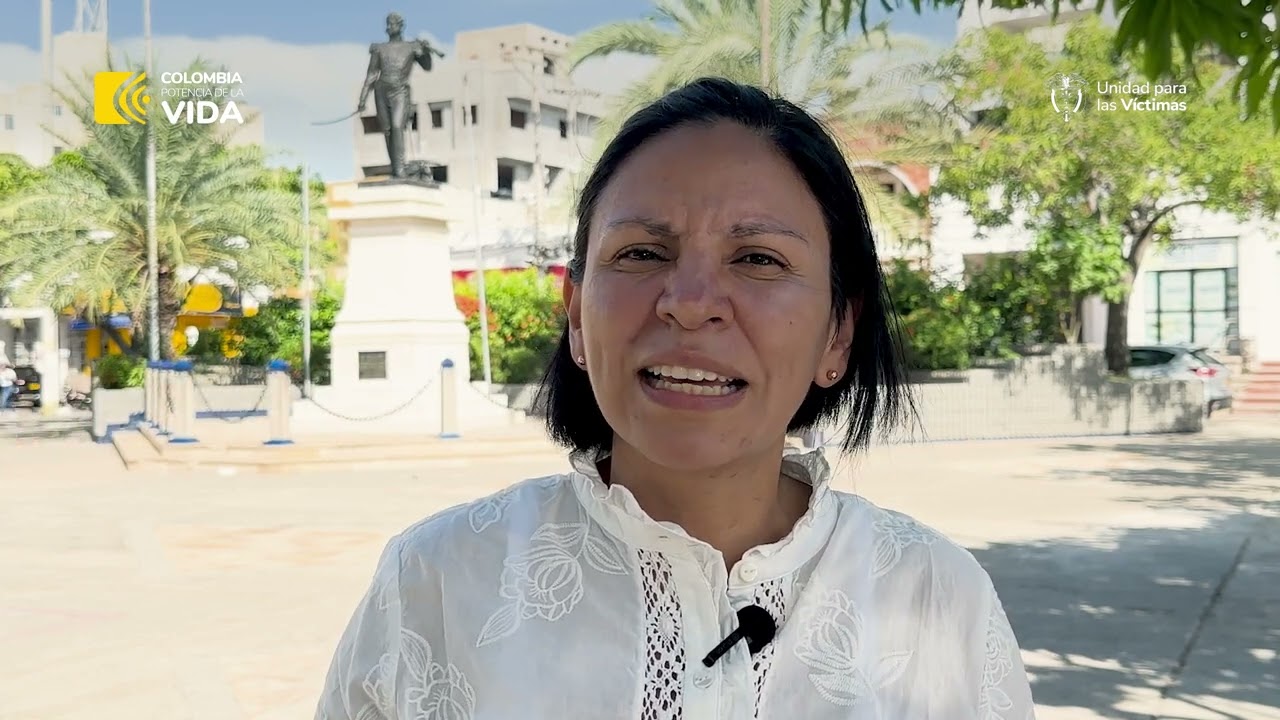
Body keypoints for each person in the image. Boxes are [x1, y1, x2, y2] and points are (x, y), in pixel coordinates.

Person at [314, 78, 1036, 719]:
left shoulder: (936, 595)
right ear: (575, 314)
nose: (689, 305)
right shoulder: (437, 582)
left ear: (837, 334)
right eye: (642, 254)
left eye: (758, 259)